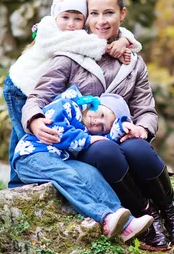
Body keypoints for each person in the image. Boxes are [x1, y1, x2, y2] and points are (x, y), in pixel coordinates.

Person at [22, 0, 174, 249]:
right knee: (106, 152)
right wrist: (34, 119)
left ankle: (171, 217)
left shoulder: (133, 62)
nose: (101, 21)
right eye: (94, 14)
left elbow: (145, 109)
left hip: (120, 130)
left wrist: (143, 129)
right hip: (83, 139)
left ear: (121, 14)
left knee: (139, 150)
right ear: (87, 17)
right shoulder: (70, 54)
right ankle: (148, 217)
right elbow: (37, 97)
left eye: (109, 13)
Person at [3, 0, 142, 188]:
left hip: (38, 88)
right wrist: (112, 47)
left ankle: (20, 182)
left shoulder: (78, 31)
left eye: (78, 19)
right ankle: (20, 185)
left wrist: (124, 40)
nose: (71, 24)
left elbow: (107, 31)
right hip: (20, 88)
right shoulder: (48, 31)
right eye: (66, 17)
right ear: (55, 14)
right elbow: (85, 43)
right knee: (29, 139)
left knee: (22, 135)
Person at [12, 84, 153, 242]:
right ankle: (104, 217)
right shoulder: (67, 104)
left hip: (61, 159)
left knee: (92, 174)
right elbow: (55, 130)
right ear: (95, 103)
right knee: (67, 176)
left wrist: (121, 128)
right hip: (31, 155)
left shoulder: (87, 130)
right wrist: (87, 139)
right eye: (100, 114)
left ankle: (126, 224)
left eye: (102, 126)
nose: (96, 121)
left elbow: (101, 139)